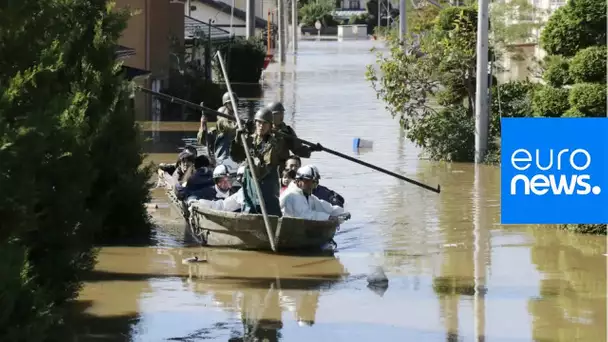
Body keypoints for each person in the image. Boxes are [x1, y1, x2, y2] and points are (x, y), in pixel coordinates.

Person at [230, 107, 282, 216]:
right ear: (255, 123)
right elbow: (236, 158)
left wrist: (252, 157)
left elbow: (262, 172)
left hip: (267, 185)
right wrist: (238, 140)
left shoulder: (272, 144)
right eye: (259, 123)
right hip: (250, 182)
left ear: (270, 125)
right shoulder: (249, 139)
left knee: (271, 212)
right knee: (249, 208)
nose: (261, 126)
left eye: (265, 124)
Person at [279, 165, 348, 221]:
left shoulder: (307, 195)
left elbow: (325, 208)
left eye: (314, 182)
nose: (312, 185)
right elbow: (305, 216)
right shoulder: (293, 195)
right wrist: (328, 217)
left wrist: (341, 213)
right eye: (308, 181)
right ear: (298, 181)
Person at [197, 92, 240, 164]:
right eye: (231, 103)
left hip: (236, 162)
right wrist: (203, 125)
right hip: (221, 162)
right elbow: (202, 140)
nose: (233, 105)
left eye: (235, 103)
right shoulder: (215, 132)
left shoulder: (239, 129)